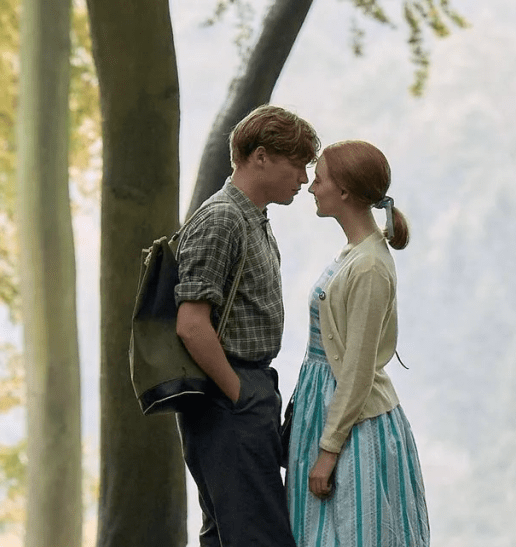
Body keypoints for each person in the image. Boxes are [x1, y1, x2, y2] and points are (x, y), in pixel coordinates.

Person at [175, 104, 319, 547]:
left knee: (228, 535)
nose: (304, 179)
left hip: (248, 390)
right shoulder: (222, 218)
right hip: (229, 397)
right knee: (259, 536)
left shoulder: (251, 217)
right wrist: (237, 393)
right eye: (296, 165)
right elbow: (191, 323)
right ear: (260, 157)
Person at [286, 139, 430, 546]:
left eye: (320, 180)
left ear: (345, 191)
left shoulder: (368, 267)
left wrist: (329, 450)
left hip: (353, 424)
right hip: (324, 407)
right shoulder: (354, 253)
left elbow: (358, 368)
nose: (312, 188)